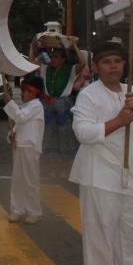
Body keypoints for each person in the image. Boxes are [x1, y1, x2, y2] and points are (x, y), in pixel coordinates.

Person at [69, 40, 133, 265]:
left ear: (125, 65)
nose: (113, 67)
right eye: (106, 62)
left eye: (117, 62)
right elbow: (83, 133)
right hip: (99, 178)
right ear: (97, 67)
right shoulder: (88, 95)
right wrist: (119, 121)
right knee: (100, 242)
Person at [30, 42, 86, 177]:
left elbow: (82, 62)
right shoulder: (45, 68)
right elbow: (32, 61)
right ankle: (50, 169)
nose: (52, 59)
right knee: (48, 138)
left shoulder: (71, 70)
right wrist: (33, 46)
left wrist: (74, 46)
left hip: (64, 108)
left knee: (65, 139)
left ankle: (66, 170)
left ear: (63, 59)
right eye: (52, 56)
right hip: (48, 106)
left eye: (55, 57)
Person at [4, 74, 45, 224]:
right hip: (20, 147)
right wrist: (11, 135)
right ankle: (17, 209)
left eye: (26, 91)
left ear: (34, 92)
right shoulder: (26, 106)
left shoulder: (36, 106)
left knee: (30, 180)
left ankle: (34, 211)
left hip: (30, 148)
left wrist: (9, 102)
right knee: (17, 180)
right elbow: (18, 125)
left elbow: (20, 117)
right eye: (22, 90)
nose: (22, 93)